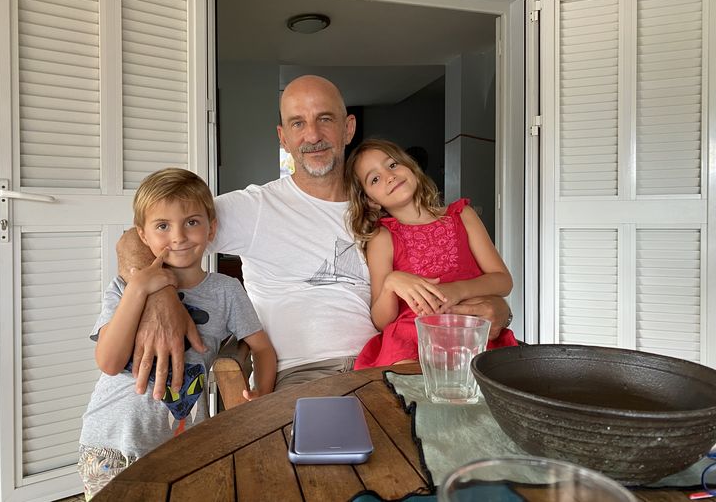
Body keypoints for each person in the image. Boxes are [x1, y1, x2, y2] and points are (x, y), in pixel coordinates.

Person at [116, 75, 513, 395]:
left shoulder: (382, 210)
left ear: (348, 128)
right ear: (282, 137)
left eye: (325, 118)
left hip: (394, 365)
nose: (313, 135)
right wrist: (159, 299)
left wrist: (497, 309)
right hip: (306, 377)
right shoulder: (255, 208)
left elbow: (444, 281)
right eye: (297, 123)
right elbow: (133, 240)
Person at [79, 168, 276, 500]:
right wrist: (139, 287)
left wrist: (262, 393)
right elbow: (110, 362)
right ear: (143, 235)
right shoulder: (124, 287)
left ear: (211, 228)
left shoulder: (227, 291)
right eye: (162, 226)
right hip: (111, 445)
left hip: (181, 447)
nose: (179, 236)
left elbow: (262, 348)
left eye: (192, 222)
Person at [346, 138, 518, 369]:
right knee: (409, 394)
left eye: (393, 164)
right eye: (375, 179)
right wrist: (390, 284)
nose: (389, 176)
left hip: (471, 330)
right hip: (413, 337)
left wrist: (458, 290)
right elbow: (381, 321)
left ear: (410, 166)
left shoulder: (462, 215)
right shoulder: (382, 238)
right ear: (370, 200)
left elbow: (503, 281)